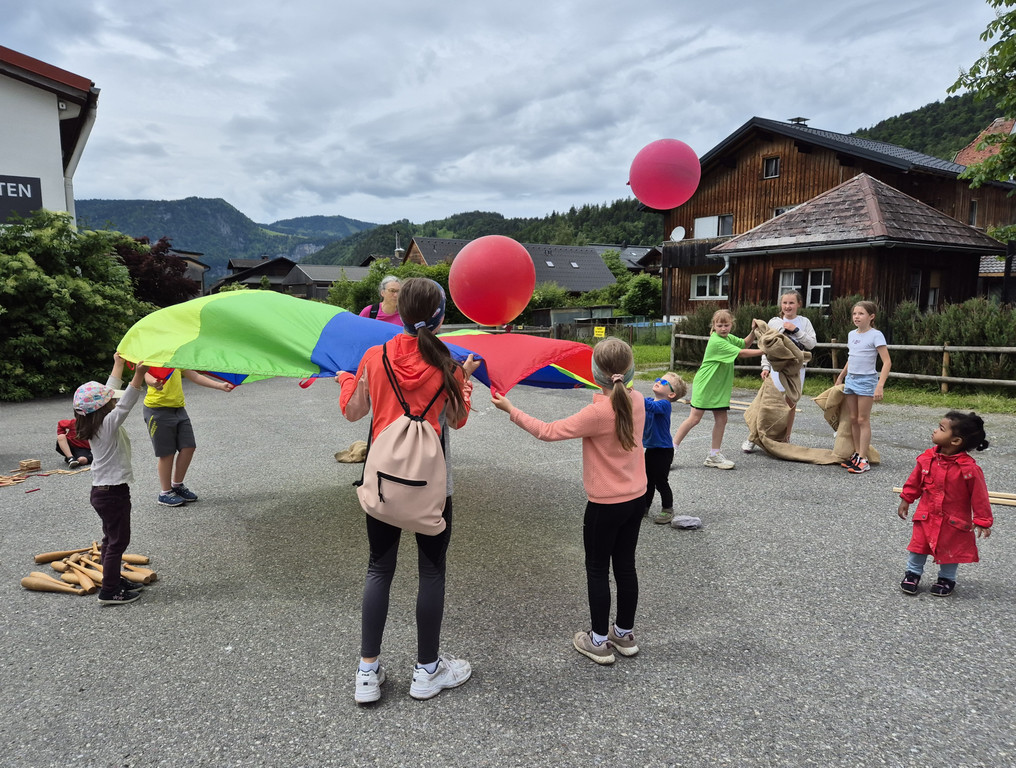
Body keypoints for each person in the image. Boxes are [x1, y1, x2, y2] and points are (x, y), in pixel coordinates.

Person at [338, 277, 478, 704]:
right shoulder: (449, 365)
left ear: (401, 313)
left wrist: (346, 379)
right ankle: (427, 670)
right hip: (433, 487)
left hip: (381, 482)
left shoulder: (374, 356)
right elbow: (457, 420)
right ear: (439, 316)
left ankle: (367, 673)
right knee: (431, 572)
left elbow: (352, 411)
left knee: (378, 568)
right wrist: (465, 381)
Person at [492, 337, 647, 666]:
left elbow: (547, 431)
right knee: (625, 566)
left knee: (596, 569)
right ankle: (625, 634)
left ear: (595, 374)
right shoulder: (639, 401)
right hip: (636, 499)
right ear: (630, 371)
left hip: (605, 505)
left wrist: (511, 409)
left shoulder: (597, 412)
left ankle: (599, 641)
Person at [73, 353, 154, 605]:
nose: (111, 399)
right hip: (112, 493)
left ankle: (114, 580)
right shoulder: (108, 424)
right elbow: (124, 404)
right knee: (118, 541)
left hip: (103, 492)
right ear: (102, 408)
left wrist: (118, 364)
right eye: (107, 401)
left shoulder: (94, 423)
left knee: (111, 539)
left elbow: (108, 393)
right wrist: (138, 375)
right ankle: (109, 590)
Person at [898, 412, 993, 597]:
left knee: (951, 549)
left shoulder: (969, 469)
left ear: (956, 441)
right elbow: (915, 481)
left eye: (941, 428)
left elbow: (979, 496)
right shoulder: (927, 458)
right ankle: (913, 573)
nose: (935, 430)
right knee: (919, 545)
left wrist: (983, 520)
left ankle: (946, 578)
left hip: (953, 519)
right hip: (926, 515)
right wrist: (906, 499)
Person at [673, 309, 763, 470]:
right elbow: (742, 353)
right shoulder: (716, 341)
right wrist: (766, 351)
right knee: (694, 419)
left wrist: (753, 331)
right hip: (706, 385)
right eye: (719, 325)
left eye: (726, 325)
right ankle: (670, 451)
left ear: (731, 325)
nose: (723, 328)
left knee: (722, 419)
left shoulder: (728, 338)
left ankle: (714, 455)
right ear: (714, 326)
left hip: (719, 388)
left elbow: (745, 343)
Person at [143, 368, 234, 507]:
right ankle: (165, 493)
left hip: (179, 409)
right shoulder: (151, 357)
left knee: (189, 446)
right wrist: (154, 382)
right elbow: (146, 375)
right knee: (166, 453)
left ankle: (177, 485)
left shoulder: (176, 359)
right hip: (157, 410)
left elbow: (196, 376)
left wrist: (220, 385)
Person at [743, 289, 817, 452]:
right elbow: (766, 345)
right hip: (776, 368)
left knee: (790, 404)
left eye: (791, 303)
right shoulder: (774, 322)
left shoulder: (804, 322)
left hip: (797, 368)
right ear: (781, 305)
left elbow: (811, 344)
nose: (788, 306)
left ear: (799, 304)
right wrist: (765, 366)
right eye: (785, 303)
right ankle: (753, 437)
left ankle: (785, 438)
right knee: (768, 403)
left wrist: (795, 330)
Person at [833, 301, 891, 474]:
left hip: (867, 381)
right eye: (854, 314)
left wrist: (879, 385)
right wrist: (841, 377)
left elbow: (887, 362)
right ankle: (857, 454)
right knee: (852, 418)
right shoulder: (852, 334)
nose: (856, 317)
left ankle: (864, 459)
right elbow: (852, 357)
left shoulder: (876, 335)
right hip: (851, 379)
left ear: (871, 316)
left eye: (861, 314)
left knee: (862, 419)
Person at [644, 372, 687, 525]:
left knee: (660, 481)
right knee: (646, 480)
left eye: (663, 382)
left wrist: (633, 396)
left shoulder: (664, 404)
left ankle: (668, 509)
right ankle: (645, 506)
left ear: (671, 394)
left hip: (664, 450)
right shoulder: (649, 400)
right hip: (651, 448)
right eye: (658, 379)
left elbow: (648, 406)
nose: (658, 381)